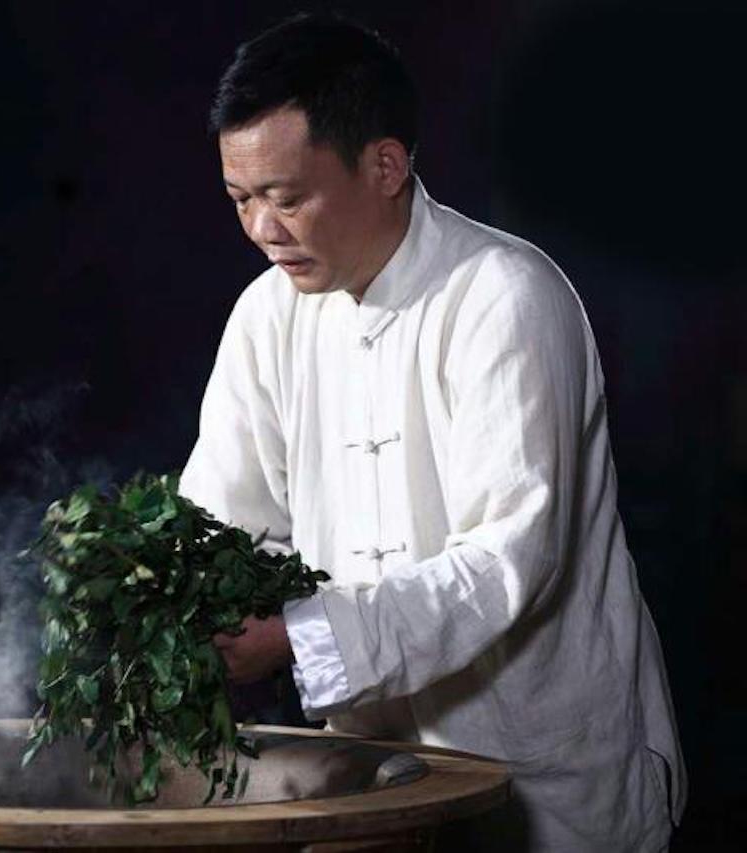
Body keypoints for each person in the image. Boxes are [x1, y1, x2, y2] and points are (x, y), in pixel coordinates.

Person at [181, 13, 686, 851]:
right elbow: (226, 521)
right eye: (242, 200)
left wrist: (297, 637)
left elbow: (509, 558)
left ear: (385, 165)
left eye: (288, 198)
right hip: (369, 769)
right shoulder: (266, 316)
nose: (263, 229)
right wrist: (177, 604)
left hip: (546, 772)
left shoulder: (504, 295)